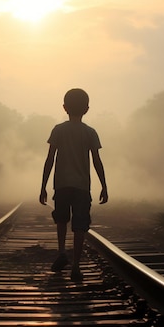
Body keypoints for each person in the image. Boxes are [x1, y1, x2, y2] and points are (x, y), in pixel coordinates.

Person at [39, 88, 108, 281]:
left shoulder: (58, 130)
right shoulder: (90, 133)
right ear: (86, 109)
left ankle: (62, 252)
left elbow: (50, 159)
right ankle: (76, 266)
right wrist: (104, 185)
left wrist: (43, 185)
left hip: (61, 184)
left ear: (64, 108)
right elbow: (96, 160)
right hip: (82, 187)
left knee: (61, 219)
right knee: (80, 225)